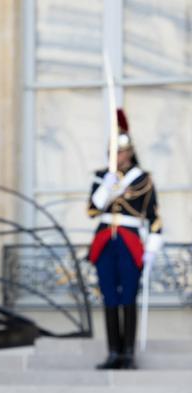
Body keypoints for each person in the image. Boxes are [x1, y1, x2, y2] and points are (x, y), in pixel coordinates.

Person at [87, 109, 162, 370]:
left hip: (130, 241)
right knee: (109, 295)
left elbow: (154, 217)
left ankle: (128, 352)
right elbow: (92, 210)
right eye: (113, 152)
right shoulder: (101, 176)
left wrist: (152, 248)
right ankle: (113, 352)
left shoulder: (142, 179)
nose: (117, 157)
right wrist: (106, 187)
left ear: (129, 152)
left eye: (120, 152)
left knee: (128, 295)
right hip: (105, 240)